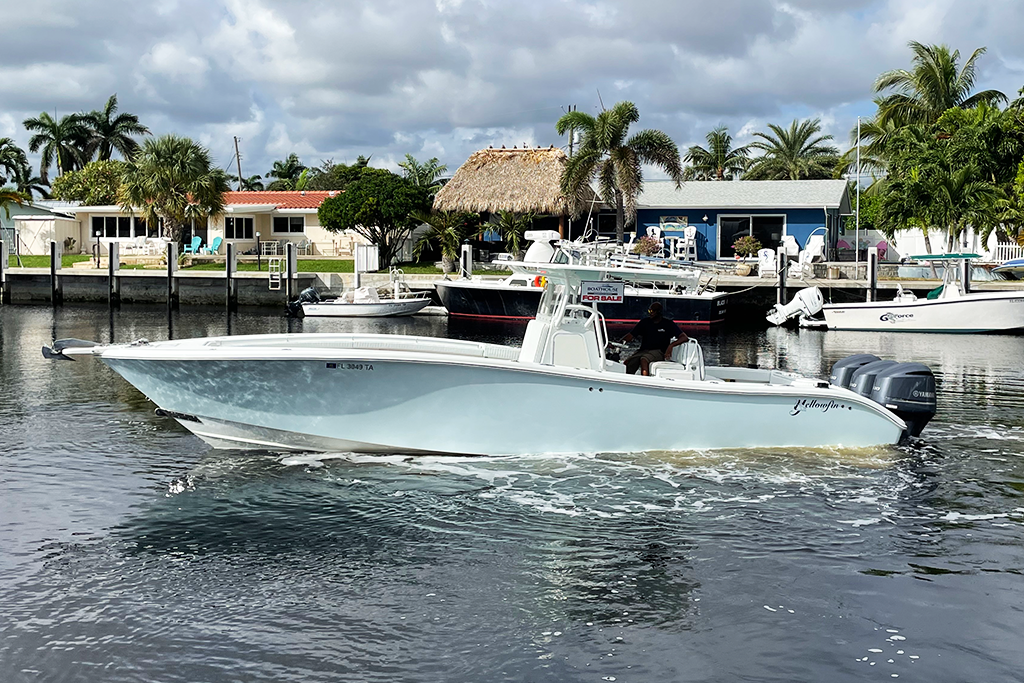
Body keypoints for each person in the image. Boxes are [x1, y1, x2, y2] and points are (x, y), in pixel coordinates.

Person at [621, 302, 689, 376]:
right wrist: (619, 343)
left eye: (651, 311)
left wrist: (671, 346)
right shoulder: (644, 322)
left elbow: (684, 338)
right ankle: (628, 381)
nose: (650, 313)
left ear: (658, 312)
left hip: (660, 352)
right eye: (649, 311)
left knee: (644, 359)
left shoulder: (668, 324)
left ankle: (645, 383)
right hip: (644, 350)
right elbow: (631, 335)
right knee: (628, 362)